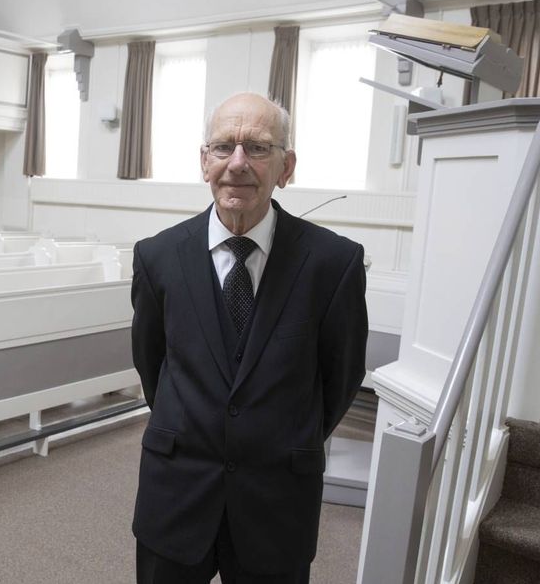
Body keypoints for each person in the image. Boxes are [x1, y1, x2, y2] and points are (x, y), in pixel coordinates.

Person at [130, 92, 368, 583]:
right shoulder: (157, 257)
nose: (237, 163)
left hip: (278, 500)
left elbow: (340, 376)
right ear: (204, 162)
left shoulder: (332, 264)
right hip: (176, 494)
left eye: (258, 148)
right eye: (224, 147)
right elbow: (153, 368)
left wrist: (282, 437)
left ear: (287, 167)